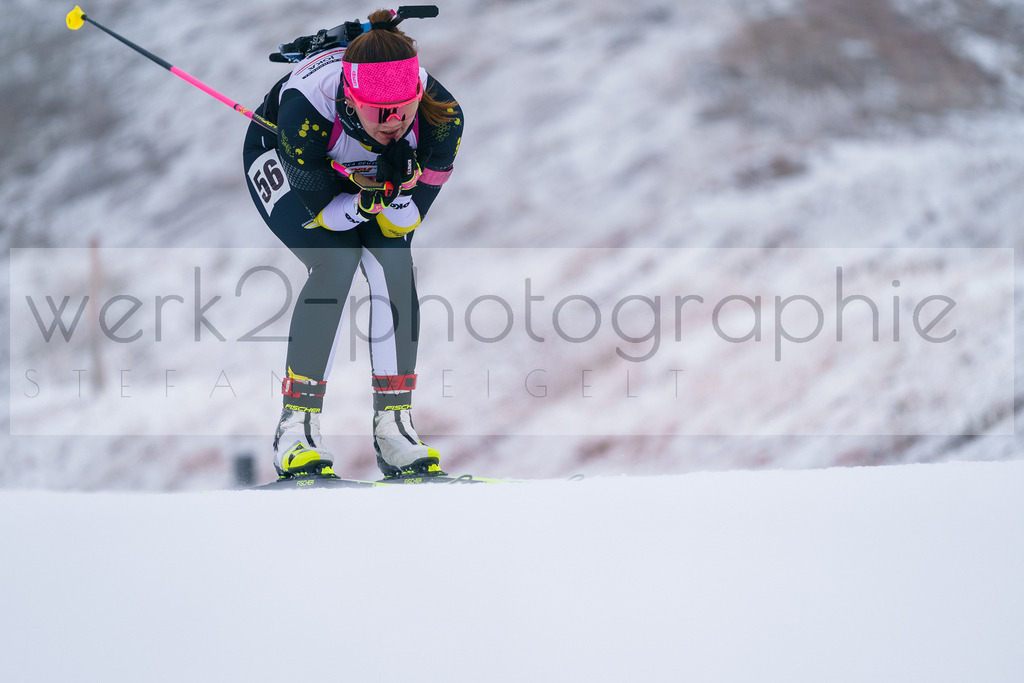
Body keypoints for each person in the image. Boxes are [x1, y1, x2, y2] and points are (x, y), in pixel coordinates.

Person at [242, 9, 463, 480]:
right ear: (350, 95)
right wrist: (368, 200)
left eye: (402, 111)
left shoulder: (442, 118)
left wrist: (399, 190)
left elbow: (405, 222)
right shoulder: (307, 111)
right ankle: (295, 430)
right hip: (285, 153)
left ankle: (394, 428)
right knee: (335, 261)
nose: (393, 124)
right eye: (379, 114)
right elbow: (328, 214)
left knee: (393, 262)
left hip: (354, 173)